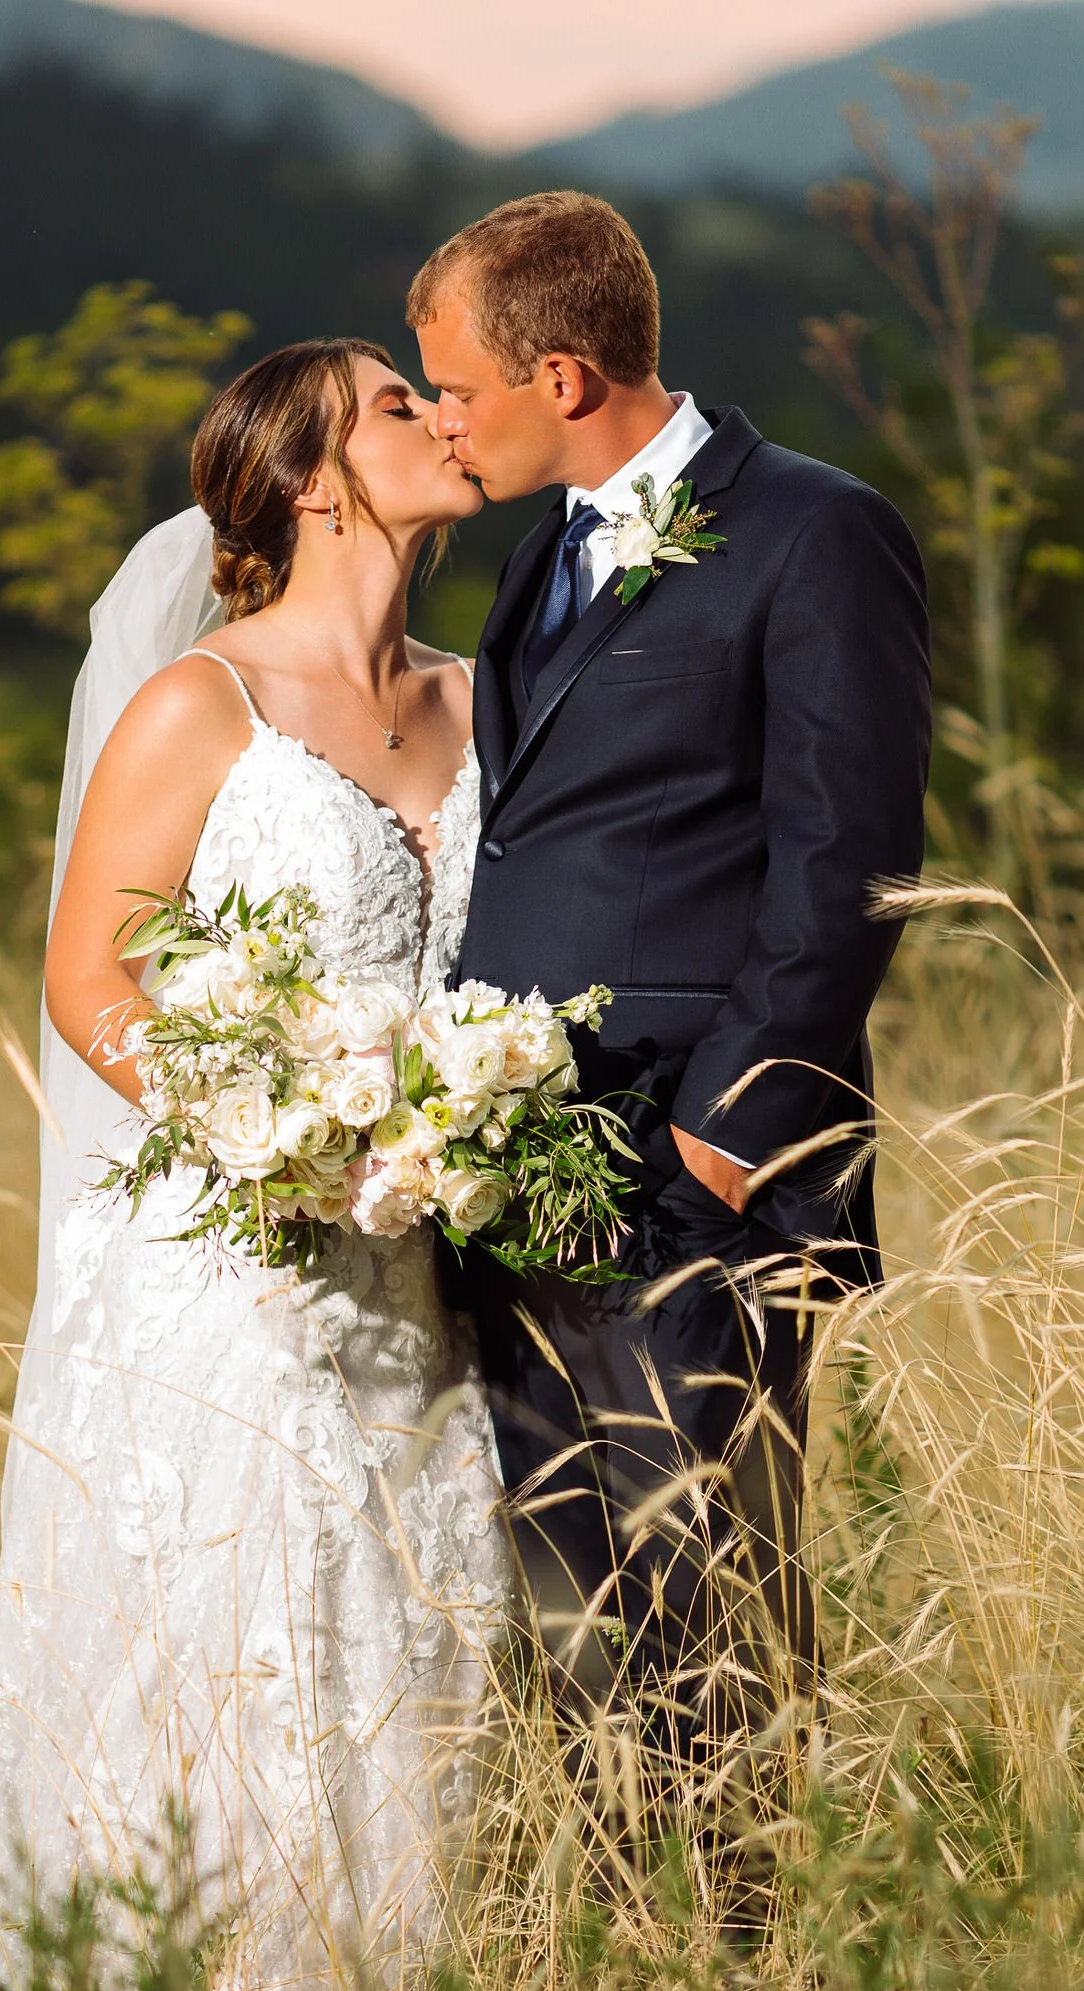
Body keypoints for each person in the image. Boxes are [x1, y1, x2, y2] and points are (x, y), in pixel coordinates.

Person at [0, 340, 509, 1991]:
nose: (440, 418)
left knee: (406, 1644)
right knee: (225, 1655)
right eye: (399, 405)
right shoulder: (199, 707)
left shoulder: (487, 696)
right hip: (224, 1268)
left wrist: (462, 1117)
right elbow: (94, 977)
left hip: (412, 1266)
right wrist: (266, 1129)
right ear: (314, 477)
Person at [410, 192, 931, 1778]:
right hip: (514, 1173)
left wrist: (727, 1133)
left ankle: (754, 1990)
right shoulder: (530, 562)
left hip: (693, 1167)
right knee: (574, 1621)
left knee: (714, 1612)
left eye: (453, 389)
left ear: (560, 378)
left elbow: (846, 859)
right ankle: (637, 1984)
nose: (440, 421)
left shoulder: (811, 530)